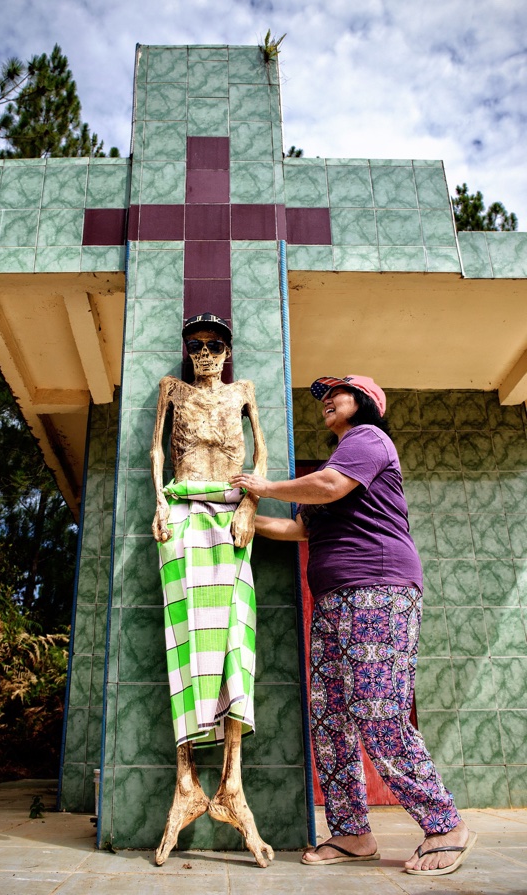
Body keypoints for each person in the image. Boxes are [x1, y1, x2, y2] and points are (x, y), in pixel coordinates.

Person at [230, 374, 476, 877]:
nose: (326, 401)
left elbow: (329, 487)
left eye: (336, 393)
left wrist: (265, 485)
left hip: (379, 591)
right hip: (333, 601)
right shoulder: (334, 463)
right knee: (331, 718)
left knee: (377, 707)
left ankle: (444, 823)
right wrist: (235, 516)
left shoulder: (369, 441)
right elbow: (298, 527)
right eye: (322, 396)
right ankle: (351, 833)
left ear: (365, 402)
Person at [150, 312, 273, 868]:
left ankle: (232, 784)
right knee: (185, 641)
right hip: (179, 516)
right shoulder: (172, 392)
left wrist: (250, 503)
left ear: (226, 352)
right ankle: (185, 784)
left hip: (230, 518)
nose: (203, 352)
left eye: (214, 344)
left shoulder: (242, 393)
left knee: (231, 643)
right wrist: (158, 502)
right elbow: (157, 450)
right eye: (195, 344)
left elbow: (261, 454)